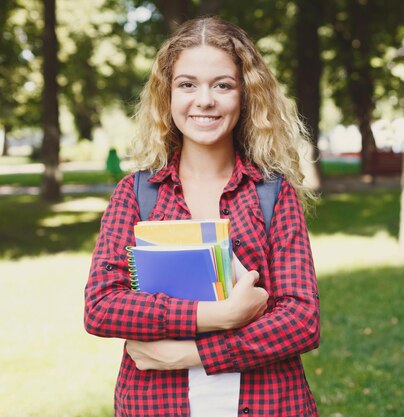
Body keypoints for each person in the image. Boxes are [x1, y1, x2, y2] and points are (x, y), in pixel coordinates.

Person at [84, 16, 320, 417]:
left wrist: (190, 353)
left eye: (222, 85)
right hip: (156, 405)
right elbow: (102, 306)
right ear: (168, 96)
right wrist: (218, 315)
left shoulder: (273, 194)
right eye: (187, 84)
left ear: (245, 95)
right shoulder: (136, 195)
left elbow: (301, 320)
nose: (205, 100)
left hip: (268, 404)